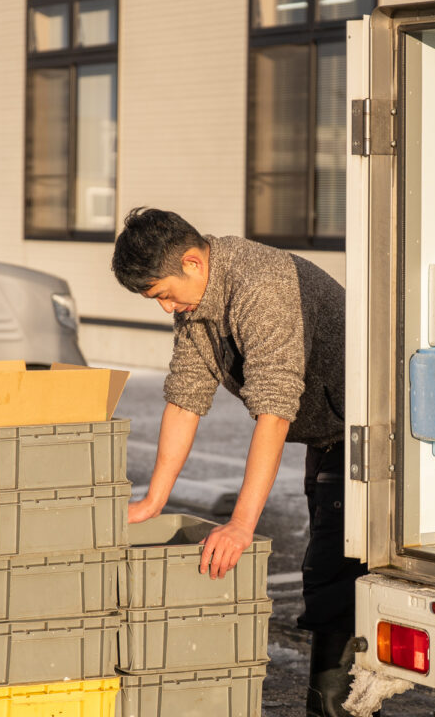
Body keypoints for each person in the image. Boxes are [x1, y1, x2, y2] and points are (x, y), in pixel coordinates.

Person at [111, 207, 367, 717]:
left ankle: (338, 709)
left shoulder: (260, 286)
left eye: (163, 293)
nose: (165, 308)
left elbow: (273, 410)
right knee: (335, 577)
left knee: (333, 580)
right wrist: (154, 500)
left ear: (192, 262)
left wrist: (241, 525)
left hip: (367, 434)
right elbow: (185, 398)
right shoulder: (196, 306)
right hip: (327, 434)